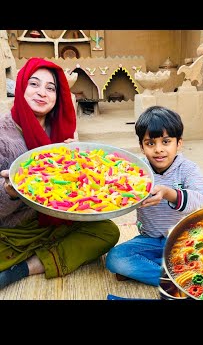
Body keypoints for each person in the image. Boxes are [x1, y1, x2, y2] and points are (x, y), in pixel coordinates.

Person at [0, 57, 120, 290]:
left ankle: (25, 268)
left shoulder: (62, 130)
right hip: (15, 230)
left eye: (50, 88)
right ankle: (46, 254)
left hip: (59, 221)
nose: (42, 93)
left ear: (58, 96)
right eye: (34, 84)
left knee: (107, 232)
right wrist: (10, 193)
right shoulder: (3, 135)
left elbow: (78, 193)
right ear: (21, 87)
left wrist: (78, 163)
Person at [105, 105, 203, 286]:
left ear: (179, 143)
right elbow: (108, 185)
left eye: (166, 142)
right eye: (150, 143)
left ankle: (151, 270)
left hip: (185, 239)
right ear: (141, 146)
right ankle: (176, 279)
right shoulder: (136, 169)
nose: (158, 149)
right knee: (116, 259)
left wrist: (170, 194)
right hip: (150, 241)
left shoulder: (188, 169)